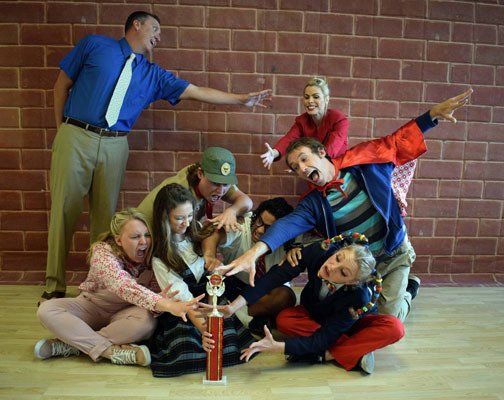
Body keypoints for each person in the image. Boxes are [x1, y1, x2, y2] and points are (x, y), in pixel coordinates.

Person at [42, 11, 272, 302]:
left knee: (104, 218)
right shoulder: (95, 45)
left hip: (116, 144)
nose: (158, 37)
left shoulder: (152, 74)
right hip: (76, 133)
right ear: (136, 24)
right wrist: (62, 130)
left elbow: (195, 91)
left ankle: (97, 284)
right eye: (155, 29)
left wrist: (240, 100)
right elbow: (61, 85)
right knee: (64, 212)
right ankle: (54, 285)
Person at [221, 89, 473, 323]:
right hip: (357, 267)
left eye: (305, 159)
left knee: (389, 318)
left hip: (394, 253)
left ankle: (409, 289)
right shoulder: (314, 203)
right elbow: (286, 225)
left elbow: (398, 141)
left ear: (322, 152)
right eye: (296, 167)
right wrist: (253, 253)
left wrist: (431, 116)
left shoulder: (363, 162)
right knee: (355, 317)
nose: (303, 169)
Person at [211, 233, 404, 374]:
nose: (332, 267)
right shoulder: (321, 251)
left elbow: (324, 338)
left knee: (395, 327)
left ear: (353, 282)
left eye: (343, 273)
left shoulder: (358, 297)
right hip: (317, 315)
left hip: (348, 325)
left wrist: (278, 346)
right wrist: (234, 306)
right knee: (285, 319)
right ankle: (354, 351)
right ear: (339, 250)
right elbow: (276, 276)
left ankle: (328, 355)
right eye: (338, 258)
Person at [35, 209, 202, 367]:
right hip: (91, 307)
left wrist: (162, 304)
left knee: (147, 322)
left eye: (147, 235)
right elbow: (122, 285)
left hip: (127, 313)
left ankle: (72, 345)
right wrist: (167, 305)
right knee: (47, 309)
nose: (144, 242)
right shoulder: (102, 252)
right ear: (118, 240)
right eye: (135, 237)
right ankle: (110, 352)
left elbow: (154, 299)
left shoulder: (155, 256)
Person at [260, 76, 416, 217]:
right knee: (315, 208)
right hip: (315, 175)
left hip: (341, 170)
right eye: (306, 97)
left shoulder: (338, 118)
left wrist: (308, 164)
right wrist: (275, 153)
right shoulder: (302, 121)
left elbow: (333, 147)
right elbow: (290, 138)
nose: (310, 101)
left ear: (326, 99)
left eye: (316, 97)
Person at [147, 183, 254, 378]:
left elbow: (212, 270)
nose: (186, 223)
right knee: (186, 351)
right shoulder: (160, 258)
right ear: (164, 217)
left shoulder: (197, 232)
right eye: (179, 218)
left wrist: (216, 269)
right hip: (185, 310)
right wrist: (205, 330)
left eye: (190, 216)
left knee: (228, 346)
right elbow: (183, 298)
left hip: (210, 301)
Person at [202, 197, 297, 335]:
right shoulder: (243, 224)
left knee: (286, 296)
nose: (260, 230)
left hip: (265, 291)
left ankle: (251, 316)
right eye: (260, 221)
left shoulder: (288, 239)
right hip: (235, 284)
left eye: (269, 229)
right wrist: (210, 255)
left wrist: (295, 247)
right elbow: (214, 232)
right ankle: (257, 317)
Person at [137, 146, 252, 233]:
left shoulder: (212, 179)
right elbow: (174, 236)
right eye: (215, 183)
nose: (221, 191)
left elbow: (247, 202)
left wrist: (232, 211)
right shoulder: (181, 193)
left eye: (226, 184)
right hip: (146, 235)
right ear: (200, 173)